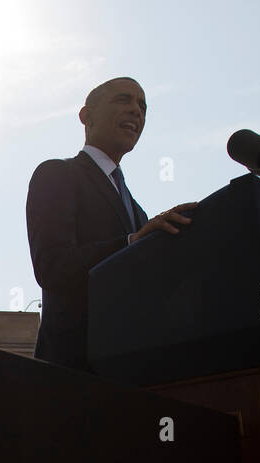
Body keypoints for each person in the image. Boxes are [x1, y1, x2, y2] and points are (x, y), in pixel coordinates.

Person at [26, 76, 199, 373]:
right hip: (74, 373)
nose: (137, 111)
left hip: (135, 372)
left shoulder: (139, 213)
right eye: (123, 100)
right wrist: (131, 244)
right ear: (86, 116)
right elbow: (52, 267)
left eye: (143, 106)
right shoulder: (57, 174)